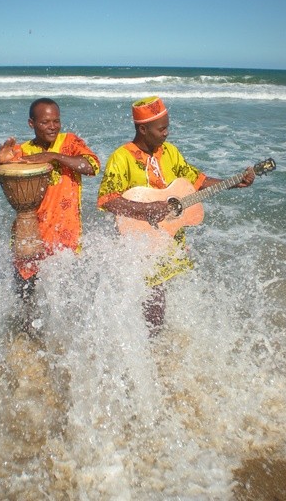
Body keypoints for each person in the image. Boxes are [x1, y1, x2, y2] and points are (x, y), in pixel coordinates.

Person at [97, 96, 255, 335]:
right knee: (155, 304)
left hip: (171, 238)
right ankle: (148, 351)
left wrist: (233, 182)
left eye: (167, 127)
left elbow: (197, 181)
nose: (167, 133)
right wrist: (145, 210)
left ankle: (158, 346)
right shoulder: (121, 158)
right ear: (142, 129)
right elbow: (107, 199)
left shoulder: (170, 152)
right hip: (140, 241)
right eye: (162, 129)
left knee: (166, 298)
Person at [0, 97, 101, 301]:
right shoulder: (21, 151)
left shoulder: (70, 143)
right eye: (45, 122)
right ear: (31, 124)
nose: (52, 127)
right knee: (26, 299)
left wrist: (54, 156)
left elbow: (92, 167)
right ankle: (23, 334)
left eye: (56, 121)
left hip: (65, 238)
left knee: (64, 301)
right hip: (29, 237)